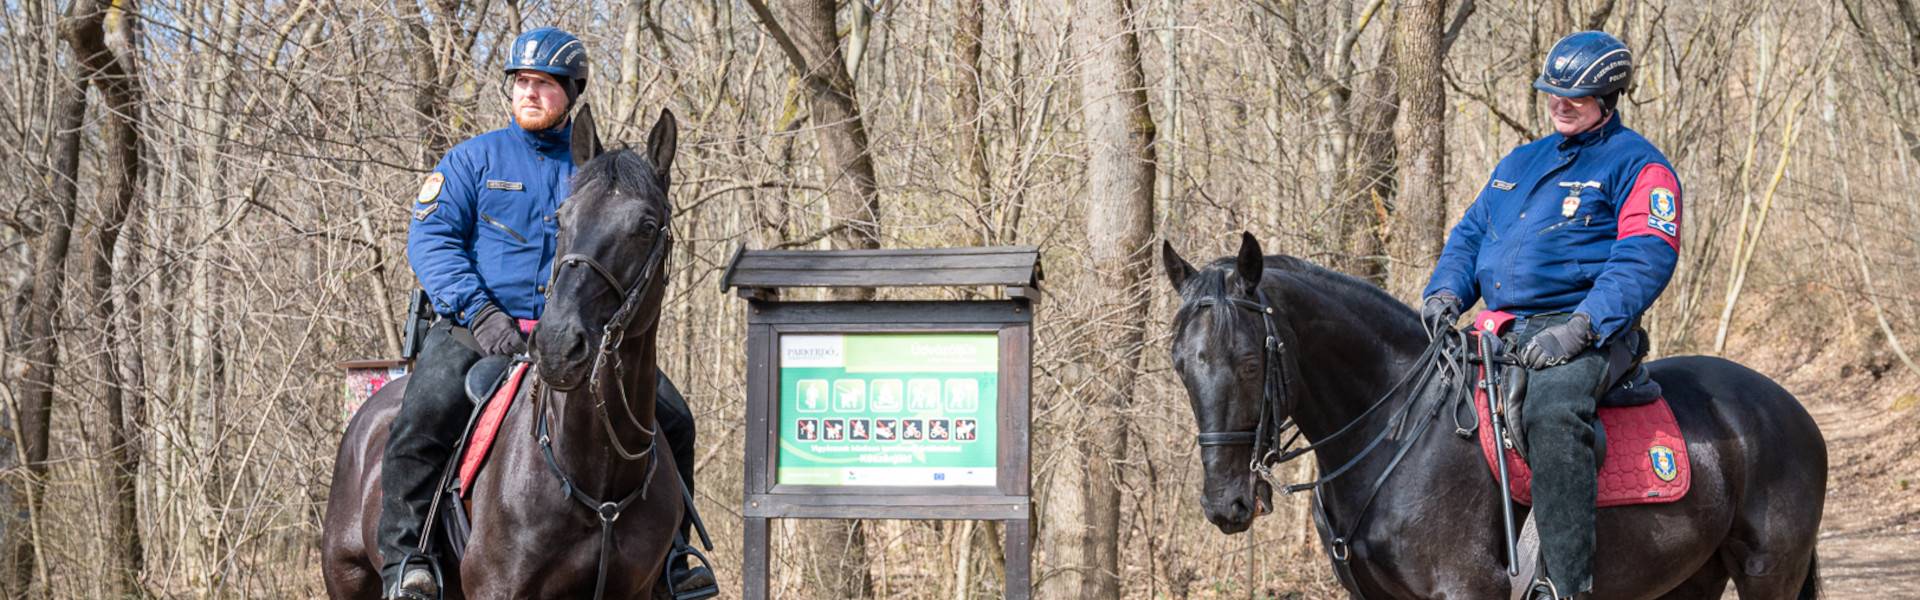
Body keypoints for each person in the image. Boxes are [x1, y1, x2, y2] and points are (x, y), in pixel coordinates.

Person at [380, 26, 712, 600]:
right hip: (476, 328)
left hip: (578, 336)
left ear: (572, 91)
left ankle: (674, 558)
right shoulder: (472, 160)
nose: (529, 93)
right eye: (521, 83)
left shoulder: (593, 172)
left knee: (674, 418)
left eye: (544, 84)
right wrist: (481, 314)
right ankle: (408, 558)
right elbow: (431, 242)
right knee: (425, 413)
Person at [1419, 31, 1681, 600]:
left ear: (1609, 99)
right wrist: (1444, 293)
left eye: (1576, 97)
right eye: (1552, 93)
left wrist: (1581, 328)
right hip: (1502, 326)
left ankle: (1565, 585)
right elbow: (1469, 236)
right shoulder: (1520, 161)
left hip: (1585, 330)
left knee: (1552, 412)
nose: (1559, 104)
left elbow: (1645, 256)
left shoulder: (1639, 166)